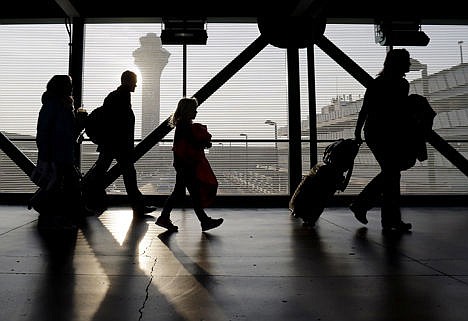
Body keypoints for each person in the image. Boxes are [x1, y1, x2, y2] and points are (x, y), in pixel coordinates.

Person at [351, 48, 414, 233]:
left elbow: (365, 110)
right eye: (407, 60)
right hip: (389, 134)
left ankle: (381, 215)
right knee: (392, 174)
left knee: (391, 174)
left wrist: (357, 132)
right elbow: (400, 113)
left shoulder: (377, 83)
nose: (409, 63)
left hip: (376, 133)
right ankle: (383, 216)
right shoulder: (402, 85)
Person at [84, 70, 155, 219]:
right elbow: (120, 125)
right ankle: (138, 207)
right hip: (118, 145)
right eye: (134, 81)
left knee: (102, 172)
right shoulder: (120, 98)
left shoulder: (116, 97)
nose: (136, 84)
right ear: (127, 81)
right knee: (128, 175)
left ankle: (87, 200)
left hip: (111, 144)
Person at [155, 97, 224, 232]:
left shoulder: (182, 125)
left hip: (183, 164)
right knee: (191, 193)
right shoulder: (185, 126)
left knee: (181, 193)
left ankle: (165, 218)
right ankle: (203, 221)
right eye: (194, 109)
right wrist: (204, 142)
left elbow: (186, 145)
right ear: (187, 110)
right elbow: (192, 143)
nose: (196, 112)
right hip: (186, 165)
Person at [31, 75, 84, 229]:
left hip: (61, 153)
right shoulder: (57, 106)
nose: (72, 87)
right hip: (58, 154)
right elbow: (44, 132)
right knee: (65, 186)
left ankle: (56, 212)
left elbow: (49, 132)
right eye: (69, 84)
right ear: (61, 87)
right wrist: (46, 156)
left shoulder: (59, 106)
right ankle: (62, 216)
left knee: (62, 185)